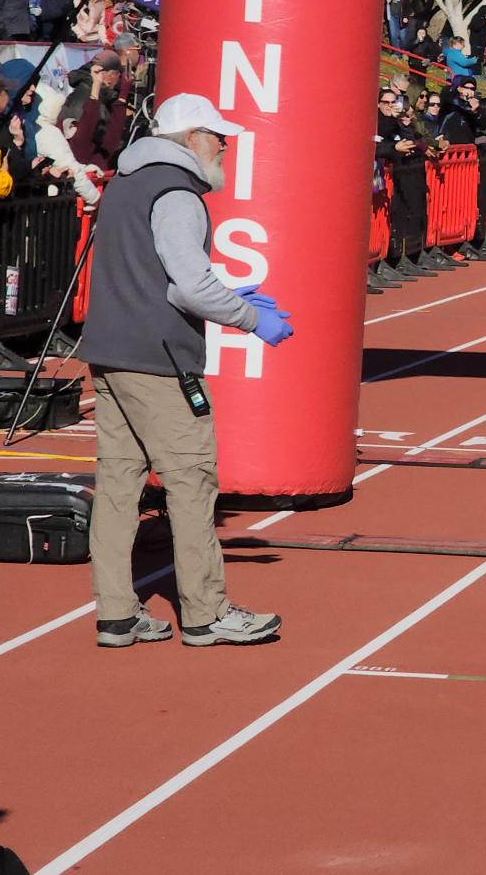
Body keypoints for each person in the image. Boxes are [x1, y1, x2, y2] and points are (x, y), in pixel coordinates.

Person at [77, 93, 293, 648]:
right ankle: (206, 612)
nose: (224, 144)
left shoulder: (125, 182)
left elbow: (152, 270)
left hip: (111, 352)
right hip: (160, 360)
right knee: (192, 482)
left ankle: (117, 613)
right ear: (190, 137)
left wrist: (223, 292)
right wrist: (248, 317)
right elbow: (188, 285)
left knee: (119, 484)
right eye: (216, 134)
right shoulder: (177, 191)